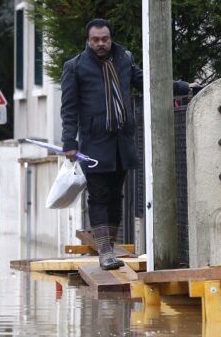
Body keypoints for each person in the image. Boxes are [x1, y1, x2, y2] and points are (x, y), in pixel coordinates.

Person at [60, 18, 194, 270]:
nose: (101, 44)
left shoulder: (124, 60)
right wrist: (70, 142)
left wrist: (184, 87)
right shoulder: (75, 67)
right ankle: (106, 252)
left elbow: (149, 83)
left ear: (110, 39)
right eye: (96, 40)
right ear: (88, 41)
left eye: (105, 39)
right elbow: (68, 108)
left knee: (116, 195)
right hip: (93, 143)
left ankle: (109, 246)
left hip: (121, 141)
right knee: (98, 196)